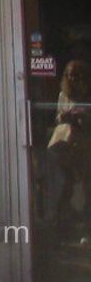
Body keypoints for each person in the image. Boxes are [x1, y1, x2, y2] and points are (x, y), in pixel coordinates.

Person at [46, 58, 90, 229]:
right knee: (65, 182)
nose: (72, 79)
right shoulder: (63, 95)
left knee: (86, 185)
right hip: (65, 144)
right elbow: (58, 117)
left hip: (84, 142)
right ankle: (63, 220)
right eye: (69, 75)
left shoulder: (88, 94)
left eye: (76, 75)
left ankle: (86, 222)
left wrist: (81, 116)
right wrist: (63, 117)